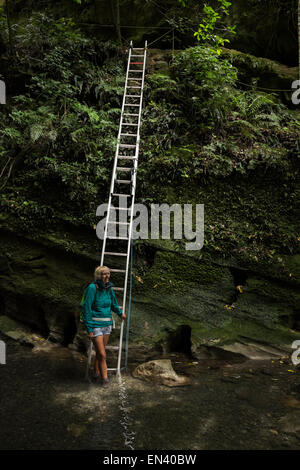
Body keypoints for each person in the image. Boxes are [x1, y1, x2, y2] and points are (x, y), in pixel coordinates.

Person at [81, 265, 126, 385]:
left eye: (108, 273)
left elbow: (114, 304)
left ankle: (96, 371)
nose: (107, 276)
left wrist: (120, 313)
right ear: (98, 276)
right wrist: (89, 329)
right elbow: (86, 309)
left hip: (107, 324)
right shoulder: (92, 288)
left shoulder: (109, 288)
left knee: (100, 352)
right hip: (95, 325)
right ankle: (104, 379)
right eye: (104, 274)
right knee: (102, 353)